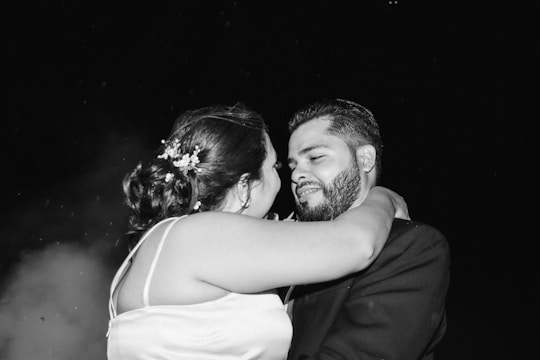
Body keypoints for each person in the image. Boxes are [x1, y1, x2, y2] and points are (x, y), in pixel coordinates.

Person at [106, 103, 409, 360]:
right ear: (243, 186)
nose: (288, 180)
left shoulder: (171, 241)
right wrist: (383, 197)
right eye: (276, 168)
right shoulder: (199, 236)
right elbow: (356, 245)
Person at [285, 99, 450, 360]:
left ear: (365, 159)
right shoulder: (285, 243)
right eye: (293, 165)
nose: (296, 175)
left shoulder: (411, 246)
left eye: (315, 157)